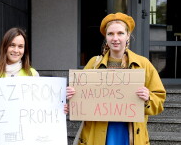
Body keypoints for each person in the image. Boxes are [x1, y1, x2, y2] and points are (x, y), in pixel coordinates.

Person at [65, 12, 166, 145]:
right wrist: (72, 97)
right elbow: (81, 101)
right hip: (97, 133)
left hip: (128, 133)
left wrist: (148, 98)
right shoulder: (93, 64)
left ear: (128, 35)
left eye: (120, 33)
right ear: (105, 37)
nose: (115, 38)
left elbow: (159, 101)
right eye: (110, 34)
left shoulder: (143, 64)